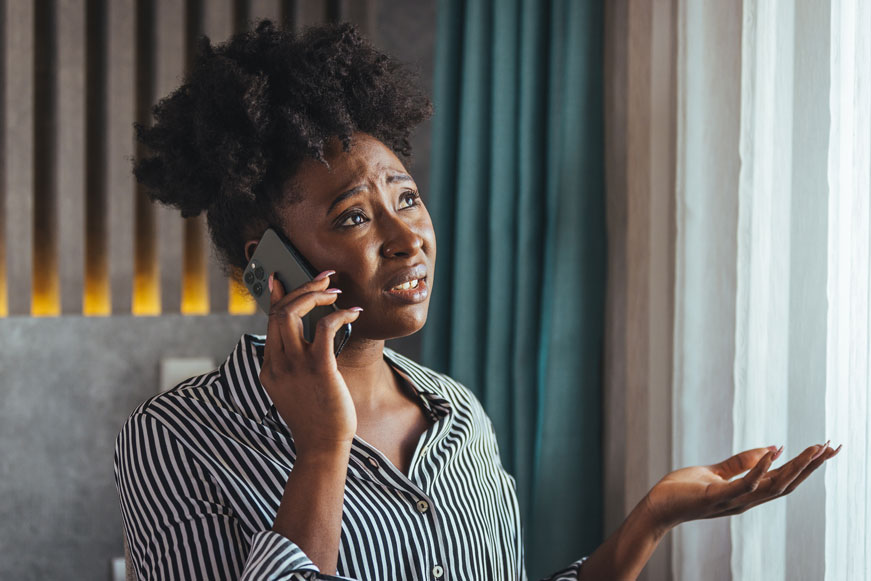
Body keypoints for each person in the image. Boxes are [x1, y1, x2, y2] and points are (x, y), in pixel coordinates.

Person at [115, 21, 840, 581]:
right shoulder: (176, 441)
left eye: (407, 197)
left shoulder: (457, 416)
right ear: (267, 260)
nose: (409, 237)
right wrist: (321, 451)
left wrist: (648, 520)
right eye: (354, 216)